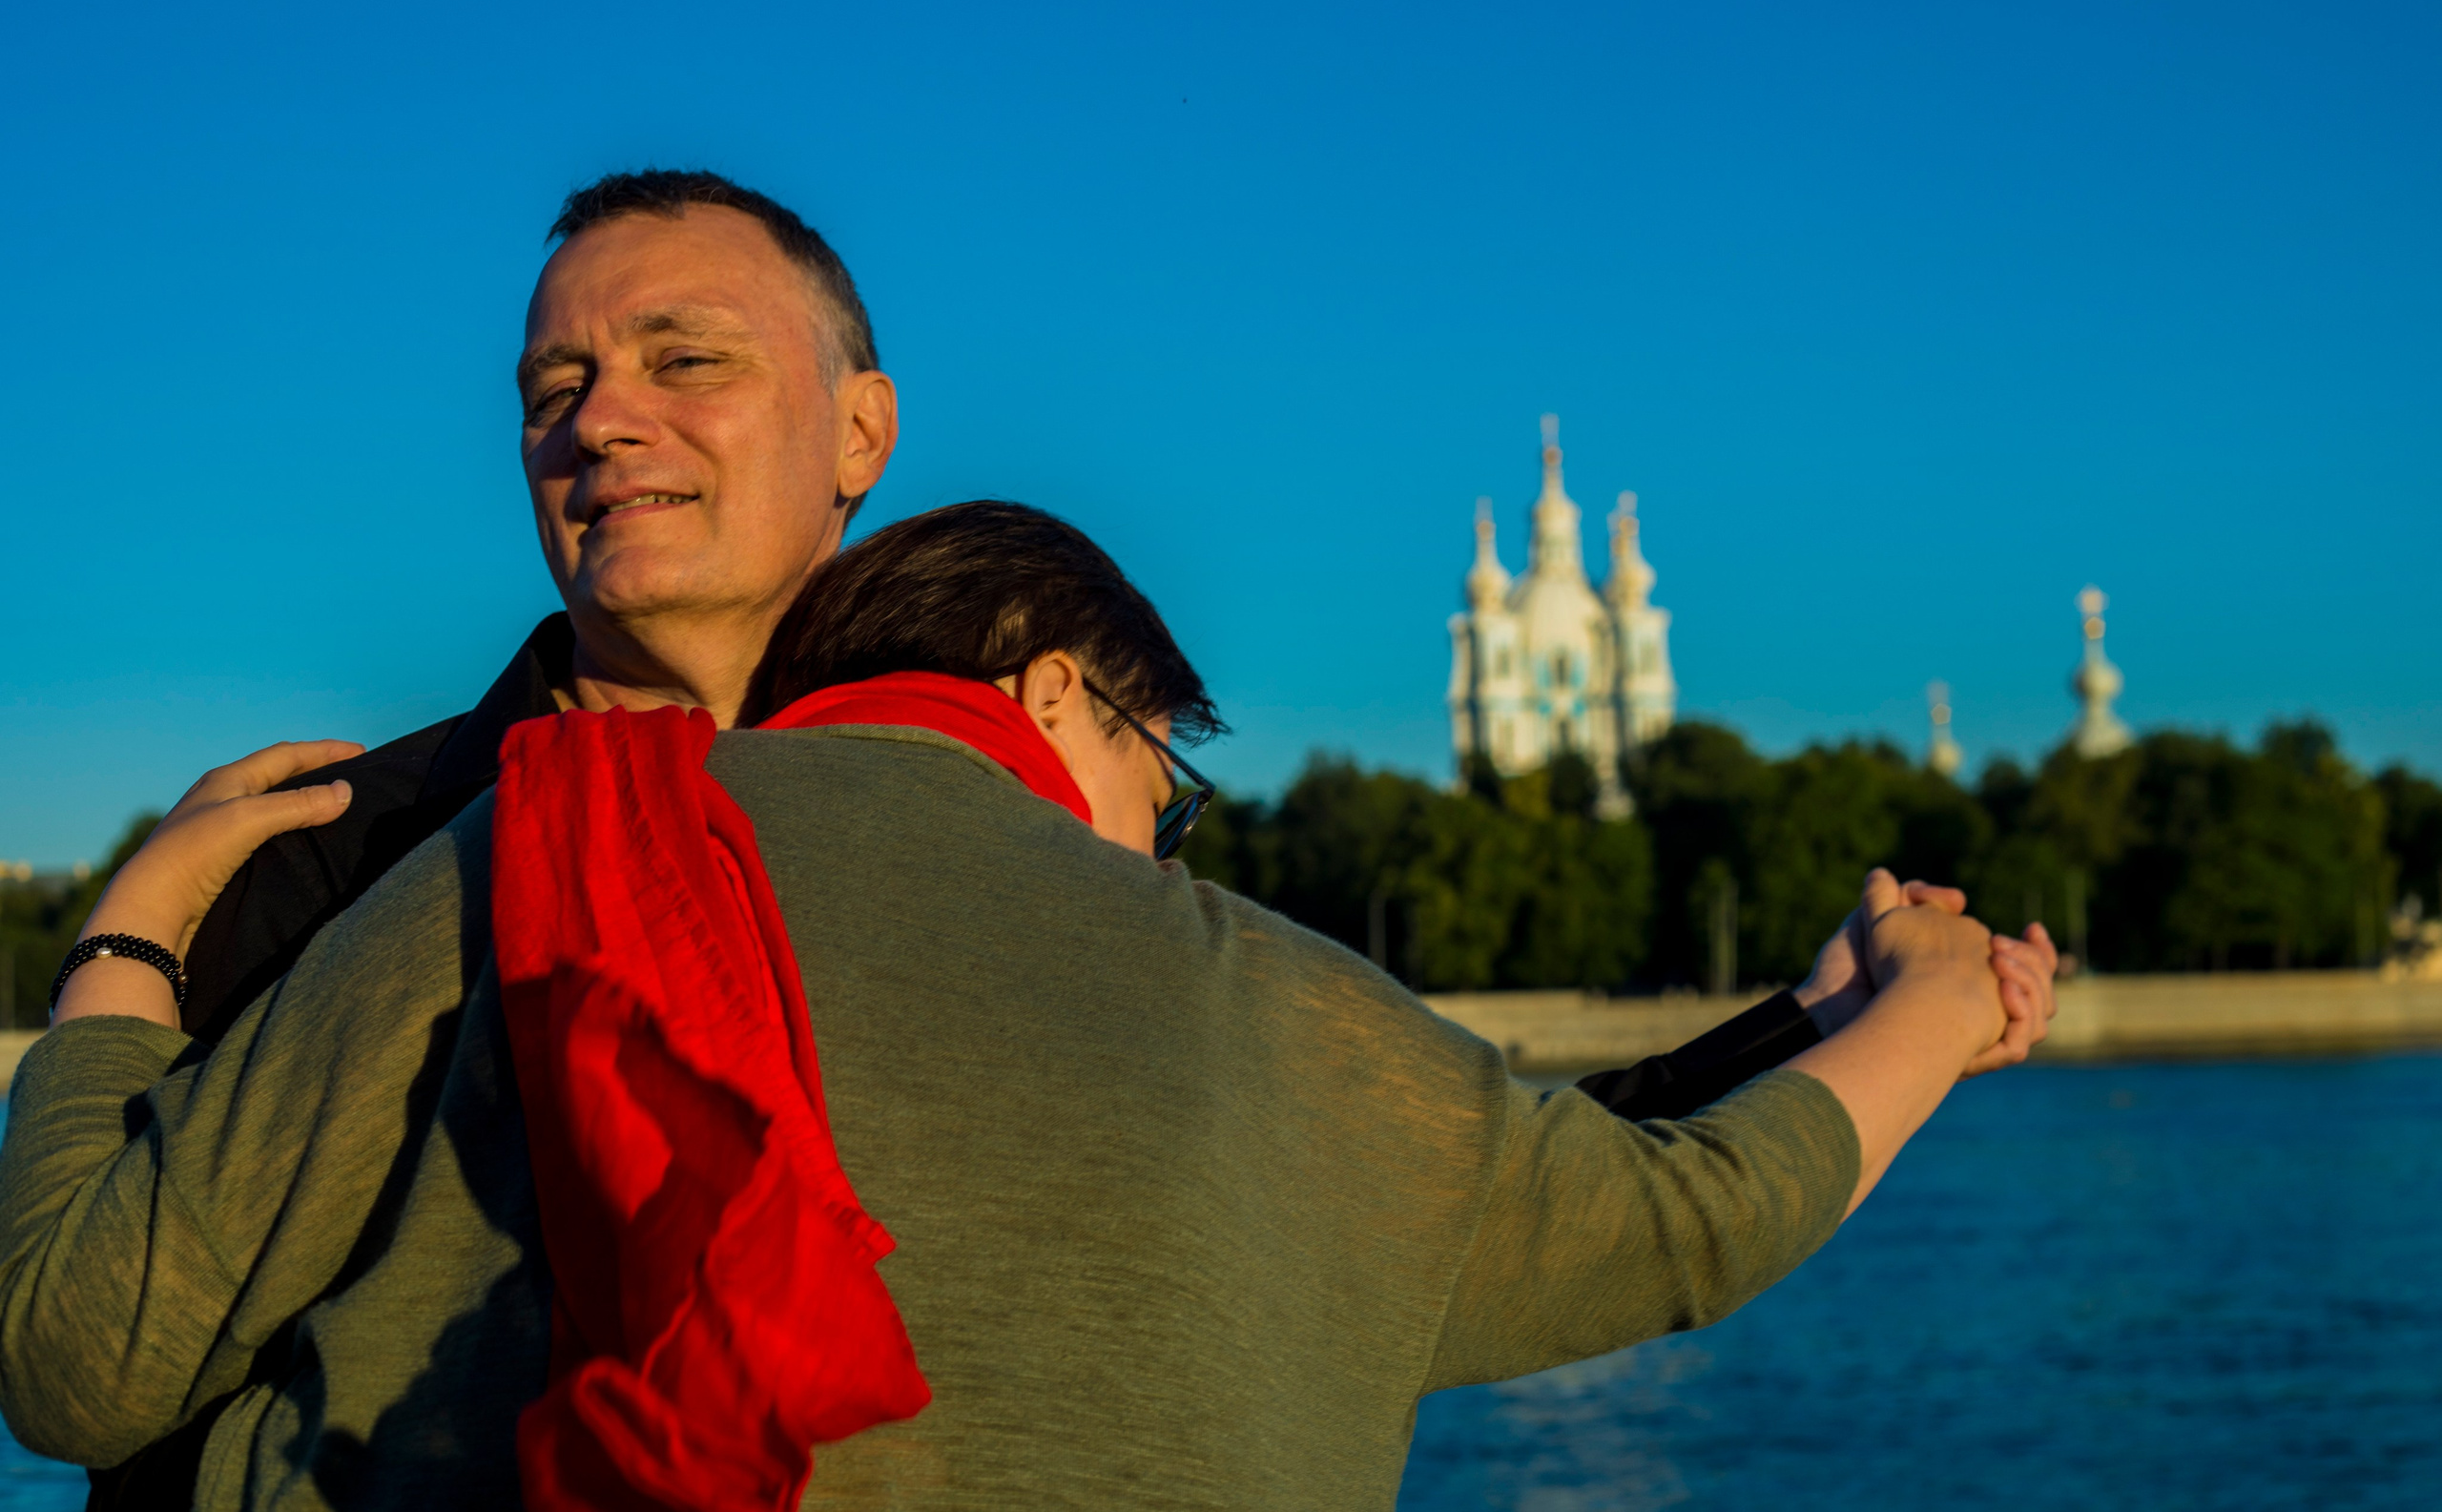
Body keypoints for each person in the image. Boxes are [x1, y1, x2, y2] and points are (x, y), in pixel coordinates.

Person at [2, 501, 2053, 1511]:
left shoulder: (541, 850)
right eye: (1174, 779)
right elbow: (1679, 1210)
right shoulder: (1291, 1015)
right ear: (1062, 692)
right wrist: (1920, 1010)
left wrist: (137, 928)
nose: (1167, 845)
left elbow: (77, 1355)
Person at [66, 165, 900, 1512]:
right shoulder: (330, 863)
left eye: (684, 359)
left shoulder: (997, 846)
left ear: (861, 432)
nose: (605, 422)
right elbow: (120, 1382)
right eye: (552, 392)